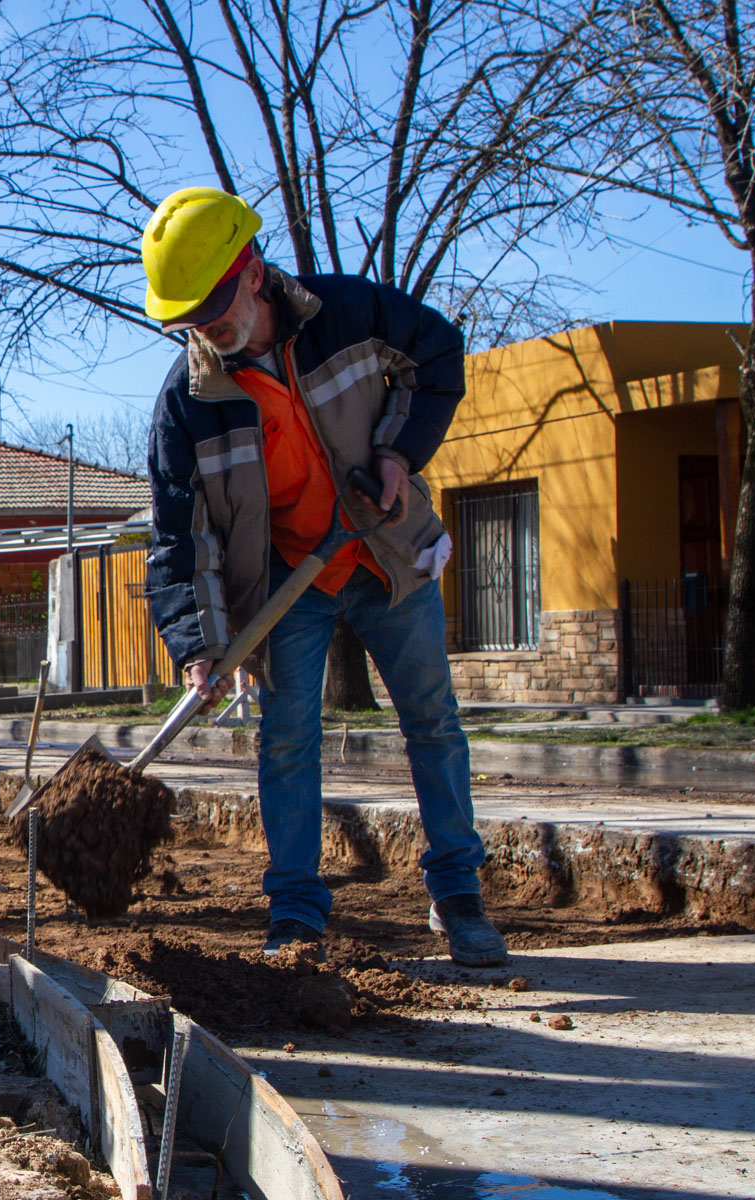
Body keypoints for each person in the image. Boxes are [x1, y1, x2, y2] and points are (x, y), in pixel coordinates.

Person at [140, 187, 508, 967]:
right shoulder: (189, 400)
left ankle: (458, 894)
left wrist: (397, 452)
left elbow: (438, 357)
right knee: (286, 743)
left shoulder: (350, 313)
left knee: (433, 723)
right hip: (288, 583)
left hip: (381, 551)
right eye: (186, 318)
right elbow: (183, 536)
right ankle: (298, 915)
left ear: (251, 271)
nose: (204, 329)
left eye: (211, 305)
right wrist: (201, 645)